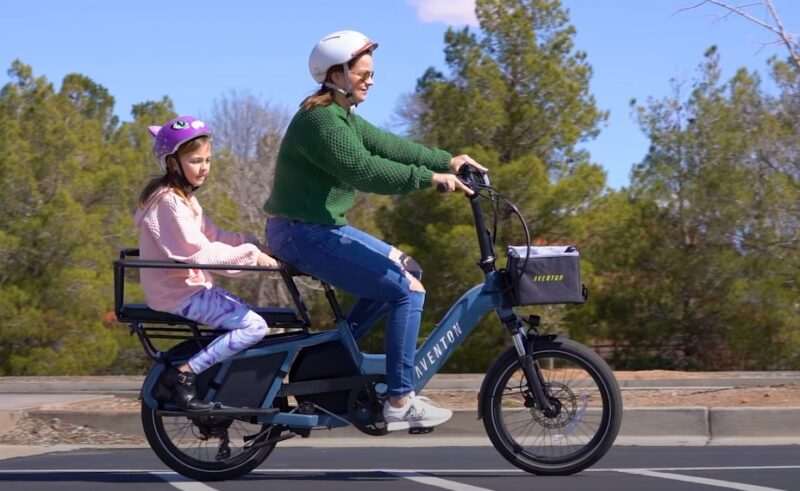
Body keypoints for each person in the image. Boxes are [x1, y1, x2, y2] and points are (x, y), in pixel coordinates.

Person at [263, 30, 487, 431]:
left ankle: (335, 357)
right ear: (335, 75)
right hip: (304, 233)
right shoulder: (320, 122)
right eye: (363, 73)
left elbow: (387, 145)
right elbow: (363, 169)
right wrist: (429, 179)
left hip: (318, 228)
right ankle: (400, 400)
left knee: (410, 271)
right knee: (405, 290)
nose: (370, 80)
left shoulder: (341, 116)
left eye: (371, 73)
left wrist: (446, 160)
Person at [136, 115, 279, 411]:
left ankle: (216, 378)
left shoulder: (183, 199)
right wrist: (254, 257)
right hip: (178, 294)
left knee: (254, 318)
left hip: (188, 289)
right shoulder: (168, 203)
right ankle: (183, 376)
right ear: (173, 163)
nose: (204, 168)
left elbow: (214, 235)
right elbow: (197, 251)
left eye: (208, 159)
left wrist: (253, 243)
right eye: (195, 160)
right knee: (254, 327)